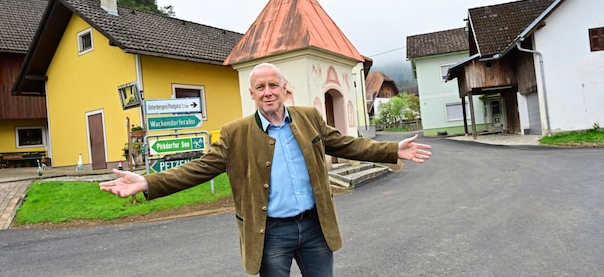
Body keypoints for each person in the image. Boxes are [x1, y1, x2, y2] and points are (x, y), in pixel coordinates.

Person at [100, 62, 432, 276]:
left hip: (315, 227)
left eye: (273, 85)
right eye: (260, 87)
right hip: (271, 232)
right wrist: (146, 182)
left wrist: (391, 149)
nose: (267, 92)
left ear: (284, 88)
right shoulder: (236, 133)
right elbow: (199, 169)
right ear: (252, 93)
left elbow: (346, 144)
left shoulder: (308, 118)